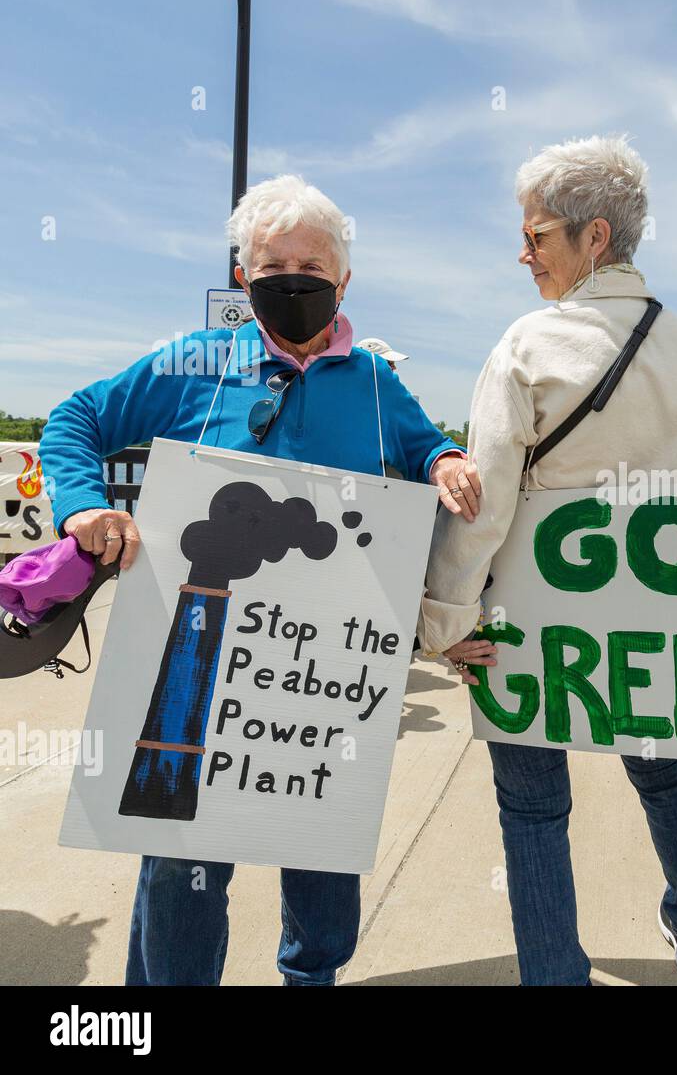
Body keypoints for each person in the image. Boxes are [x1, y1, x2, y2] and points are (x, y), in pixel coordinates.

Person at [39, 174, 480, 985]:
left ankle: (312, 976)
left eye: (312, 263)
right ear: (244, 278)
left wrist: (446, 457)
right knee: (180, 857)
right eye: (273, 265)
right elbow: (77, 418)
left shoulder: (376, 383)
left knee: (320, 847)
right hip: (193, 660)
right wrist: (80, 507)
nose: (293, 278)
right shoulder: (192, 361)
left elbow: (424, 447)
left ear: (345, 280)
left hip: (324, 669)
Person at [418, 135, 677, 985]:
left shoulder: (525, 347)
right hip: (656, 625)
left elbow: (483, 507)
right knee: (665, 779)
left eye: (538, 237)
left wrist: (444, 623)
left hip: (529, 628)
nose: (524, 255)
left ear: (594, 238)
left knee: (531, 810)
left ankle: (554, 972)